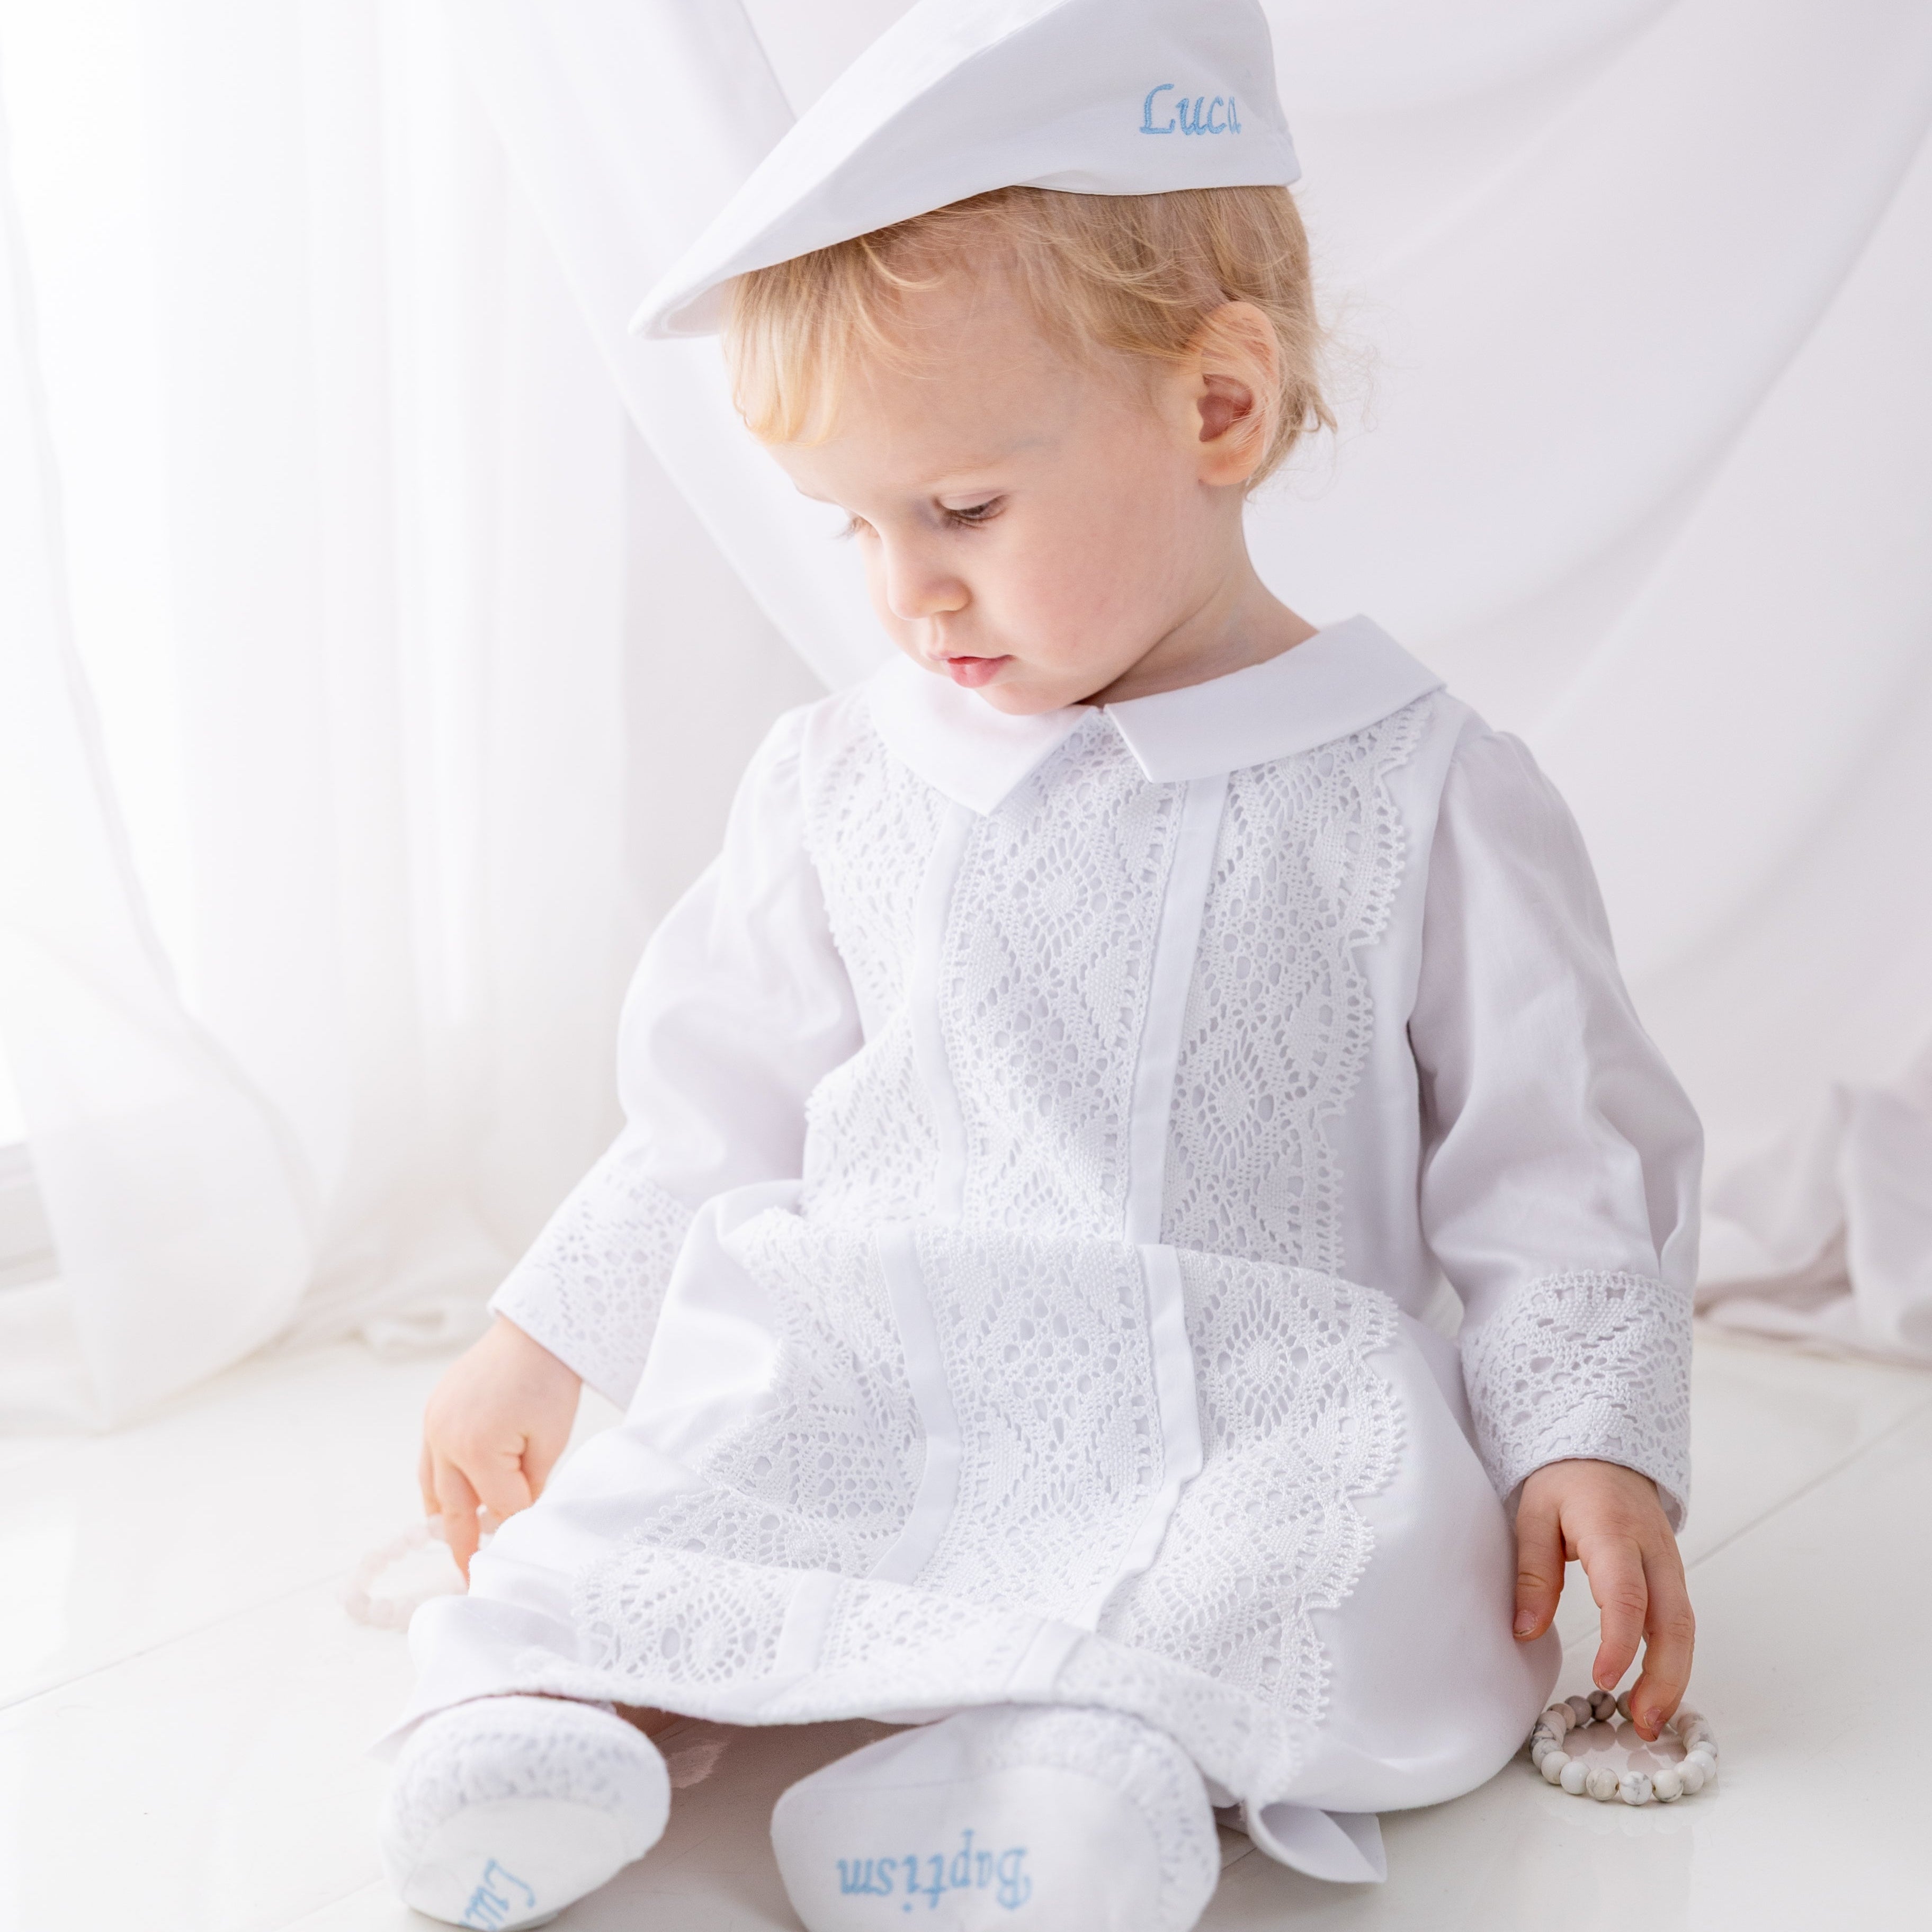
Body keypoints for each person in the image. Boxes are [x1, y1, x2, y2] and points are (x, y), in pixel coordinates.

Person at [379, 3, 1702, 1927]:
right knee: (688, 1469)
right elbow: (712, 1113)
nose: (907, 589)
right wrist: (549, 1327)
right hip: (881, 1348)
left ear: (1218, 407)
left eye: (964, 511)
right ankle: (541, 1714)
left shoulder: (1416, 787)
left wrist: (1589, 1439)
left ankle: (1047, 1787)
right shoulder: (850, 777)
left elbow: (1550, 1154)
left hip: (1236, 1388)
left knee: (1330, 1547)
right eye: (859, 525)